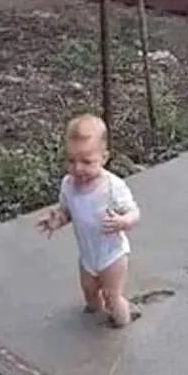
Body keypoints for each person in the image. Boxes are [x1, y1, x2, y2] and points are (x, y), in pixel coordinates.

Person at [38, 114, 140, 327]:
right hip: (87, 255)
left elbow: (134, 213)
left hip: (112, 254)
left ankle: (122, 320)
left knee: (112, 295)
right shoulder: (68, 184)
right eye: (71, 161)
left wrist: (123, 221)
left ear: (104, 158)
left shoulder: (112, 186)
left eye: (87, 161)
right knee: (89, 292)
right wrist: (57, 220)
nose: (78, 168)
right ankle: (95, 310)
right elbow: (68, 211)